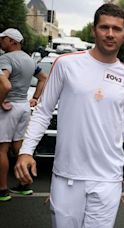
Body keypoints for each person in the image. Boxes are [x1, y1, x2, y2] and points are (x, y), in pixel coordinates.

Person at [14, 4, 124, 227]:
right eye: (104, 27)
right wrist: (26, 151)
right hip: (67, 177)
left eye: (116, 29)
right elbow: (43, 111)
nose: (110, 33)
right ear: (95, 30)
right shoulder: (66, 64)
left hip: (108, 179)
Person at [0, 28, 47, 201]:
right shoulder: (29, 59)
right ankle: (24, 185)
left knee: (2, 148)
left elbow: (5, 84)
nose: (1, 42)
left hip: (8, 107)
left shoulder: (5, 59)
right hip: (24, 107)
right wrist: (35, 98)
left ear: (13, 41)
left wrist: (0, 101)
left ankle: (2, 190)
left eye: (3, 39)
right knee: (19, 147)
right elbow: (43, 77)